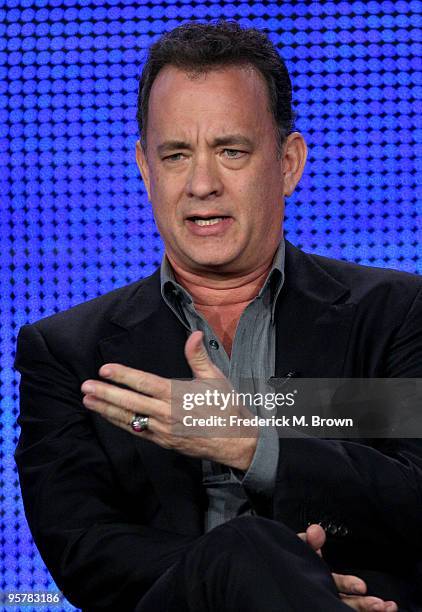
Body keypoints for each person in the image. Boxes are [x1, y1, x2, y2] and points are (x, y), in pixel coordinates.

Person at [14, 20, 422, 612]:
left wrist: (254, 444)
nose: (202, 183)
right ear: (146, 169)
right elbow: (84, 551)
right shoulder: (69, 353)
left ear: (287, 163)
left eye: (231, 151)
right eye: (176, 155)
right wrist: (263, 574)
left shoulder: (397, 314)